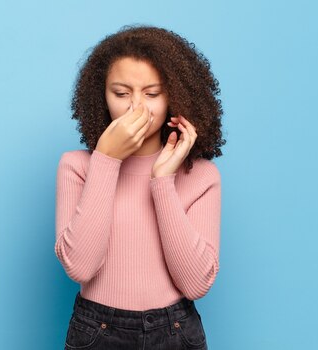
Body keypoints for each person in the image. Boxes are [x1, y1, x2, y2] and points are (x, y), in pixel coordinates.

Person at [54, 24, 225, 349]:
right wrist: (105, 159)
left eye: (152, 93)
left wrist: (162, 182)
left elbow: (195, 284)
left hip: (175, 332)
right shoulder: (76, 167)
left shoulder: (202, 176)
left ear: (175, 94)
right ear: (100, 96)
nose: (136, 107)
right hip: (97, 331)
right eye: (121, 93)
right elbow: (80, 266)